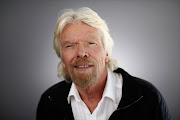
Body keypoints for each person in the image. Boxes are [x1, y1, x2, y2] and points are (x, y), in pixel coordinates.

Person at [36, 7, 171, 120]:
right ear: (62, 58)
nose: (81, 53)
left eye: (91, 43)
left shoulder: (147, 98)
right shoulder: (49, 102)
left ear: (107, 53)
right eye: (70, 45)